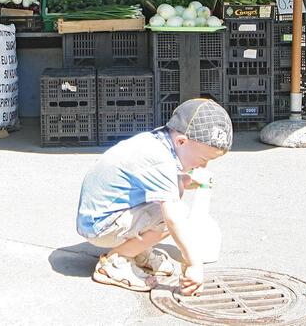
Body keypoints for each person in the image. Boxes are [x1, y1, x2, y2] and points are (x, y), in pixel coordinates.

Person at [76, 98, 232, 295]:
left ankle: (138, 251)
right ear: (181, 141)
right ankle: (115, 262)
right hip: (100, 226)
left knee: (173, 198)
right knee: (174, 216)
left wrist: (191, 182)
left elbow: (173, 183)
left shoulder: (160, 143)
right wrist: (194, 263)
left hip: (101, 217)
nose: (203, 166)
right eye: (203, 160)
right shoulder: (160, 160)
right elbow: (173, 216)